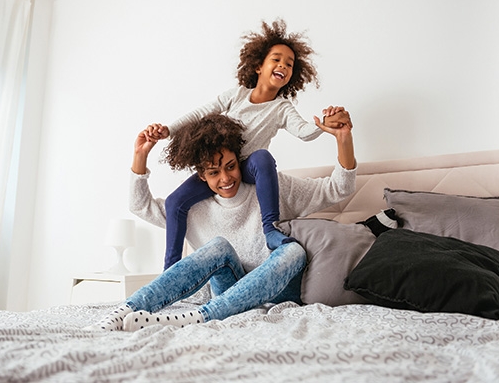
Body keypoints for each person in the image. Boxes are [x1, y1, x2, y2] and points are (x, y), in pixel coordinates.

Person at [87, 110, 355, 331]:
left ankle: (201, 317)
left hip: (280, 291)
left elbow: (337, 189)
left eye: (230, 166)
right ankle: (127, 309)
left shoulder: (273, 187)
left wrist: (344, 139)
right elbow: (140, 206)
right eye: (214, 173)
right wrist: (140, 156)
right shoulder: (193, 209)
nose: (225, 179)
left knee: (294, 250)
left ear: (240, 161)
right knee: (218, 246)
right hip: (229, 292)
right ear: (201, 176)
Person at [145, 19, 348, 270]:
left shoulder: (282, 108)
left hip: (248, 168)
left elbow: (303, 131)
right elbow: (200, 113)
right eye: (276, 59)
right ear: (258, 66)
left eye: (289, 64)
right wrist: (167, 130)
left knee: (262, 157)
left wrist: (322, 124)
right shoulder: (237, 95)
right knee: (175, 201)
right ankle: (171, 268)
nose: (283, 65)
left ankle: (270, 229)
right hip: (222, 166)